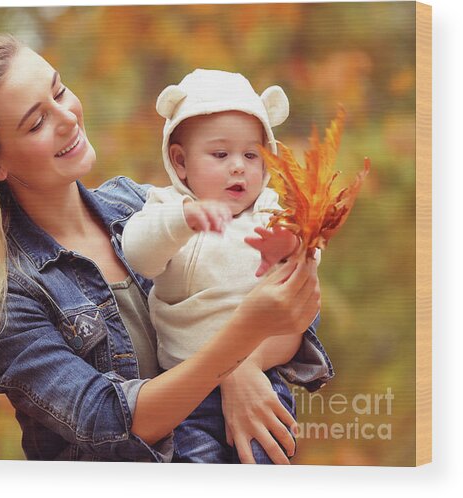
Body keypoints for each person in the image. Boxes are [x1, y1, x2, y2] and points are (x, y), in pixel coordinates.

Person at [0, 33, 333, 462]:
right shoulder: (10, 296)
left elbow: (290, 307)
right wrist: (234, 352)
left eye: (60, 91)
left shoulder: (138, 204)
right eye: (37, 122)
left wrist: (244, 365)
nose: (66, 117)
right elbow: (110, 420)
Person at [122, 69, 324, 463]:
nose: (238, 167)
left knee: (262, 460)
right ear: (180, 161)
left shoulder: (268, 210)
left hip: (262, 379)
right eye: (220, 154)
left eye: (251, 155)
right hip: (186, 393)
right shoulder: (165, 208)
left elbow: (307, 273)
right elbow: (139, 256)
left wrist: (291, 246)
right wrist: (186, 219)